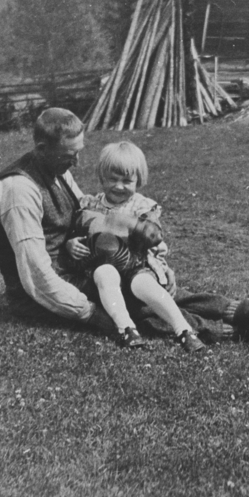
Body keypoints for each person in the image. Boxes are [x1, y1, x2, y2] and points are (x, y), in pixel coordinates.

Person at [0, 107, 249, 347]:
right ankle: (248, 326)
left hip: (77, 267)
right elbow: (36, 279)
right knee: (134, 301)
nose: (77, 164)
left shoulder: (56, 167)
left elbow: (86, 215)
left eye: (79, 153)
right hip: (49, 292)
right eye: (71, 155)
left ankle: (247, 310)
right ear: (42, 149)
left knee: (150, 284)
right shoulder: (18, 190)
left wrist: (146, 254)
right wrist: (92, 314)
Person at [66, 141, 205, 353]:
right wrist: (71, 243)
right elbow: (77, 231)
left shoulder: (142, 206)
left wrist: (158, 245)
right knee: (105, 274)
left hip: (135, 263)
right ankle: (126, 328)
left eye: (127, 180)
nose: (119, 186)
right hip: (102, 264)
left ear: (138, 180)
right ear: (101, 177)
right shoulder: (92, 204)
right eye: (112, 179)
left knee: (145, 285)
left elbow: (153, 233)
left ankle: (184, 330)